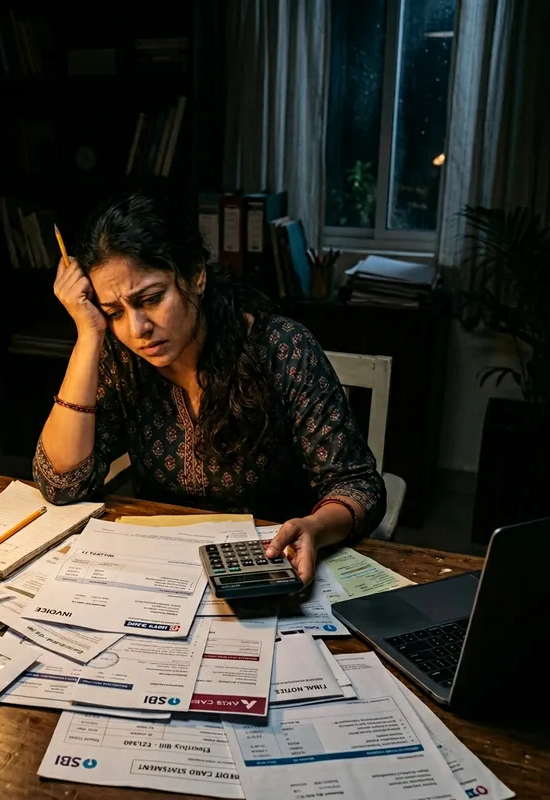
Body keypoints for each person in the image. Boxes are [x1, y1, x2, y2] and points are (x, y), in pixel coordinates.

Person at [34, 189, 386, 584]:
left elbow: (358, 486)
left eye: (150, 299)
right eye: (115, 312)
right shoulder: (120, 358)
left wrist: (316, 527)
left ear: (196, 276)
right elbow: (61, 484)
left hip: (269, 564)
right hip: (161, 572)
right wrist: (88, 333)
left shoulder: (280, 349)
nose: (137, 329)